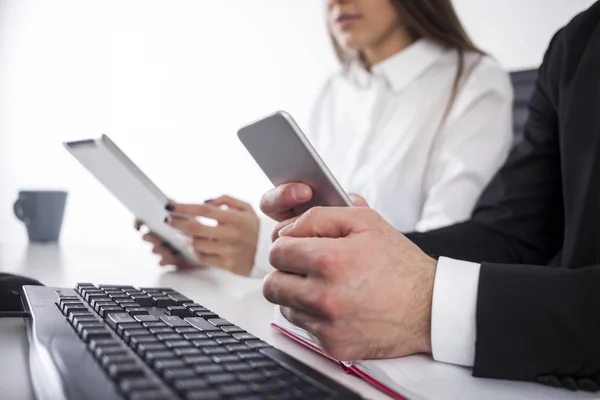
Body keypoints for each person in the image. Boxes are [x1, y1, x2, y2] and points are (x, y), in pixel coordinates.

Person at [257, 1, 600, 391]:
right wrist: (359, 252)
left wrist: (427, 302)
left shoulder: (470, 77)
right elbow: (515, 233)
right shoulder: (577, 43)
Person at [142, 0, 513, 277]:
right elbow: (307, 213)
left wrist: (261, 251)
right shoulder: (336, 89)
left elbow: (443, 252)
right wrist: (211, 247)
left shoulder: (474, 81)